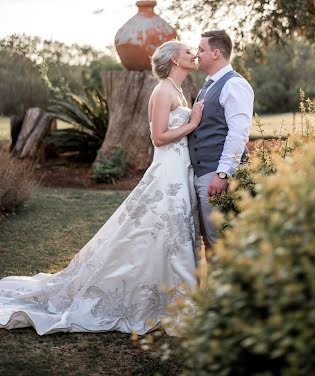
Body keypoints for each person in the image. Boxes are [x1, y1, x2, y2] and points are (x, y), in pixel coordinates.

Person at [0, 40, 203, 336]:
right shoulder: (162, 91)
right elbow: (159, 137)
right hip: (166, 173)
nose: (193, 54)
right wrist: (194, 122)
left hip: (179, 170)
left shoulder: (178, 90)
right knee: (161, 229)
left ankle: (175, 292)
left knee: (169, 233)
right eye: (187, 51)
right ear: (175, 60)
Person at [188, 30, 254, 249]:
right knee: (210, 241)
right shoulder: (209, 84)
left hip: (216, 175)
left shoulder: (234, 84)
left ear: (216, 53)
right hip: (203, 172)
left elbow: (238, 133)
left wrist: (223, 173)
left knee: (221, 242)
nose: (197, 55)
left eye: (201, 49)